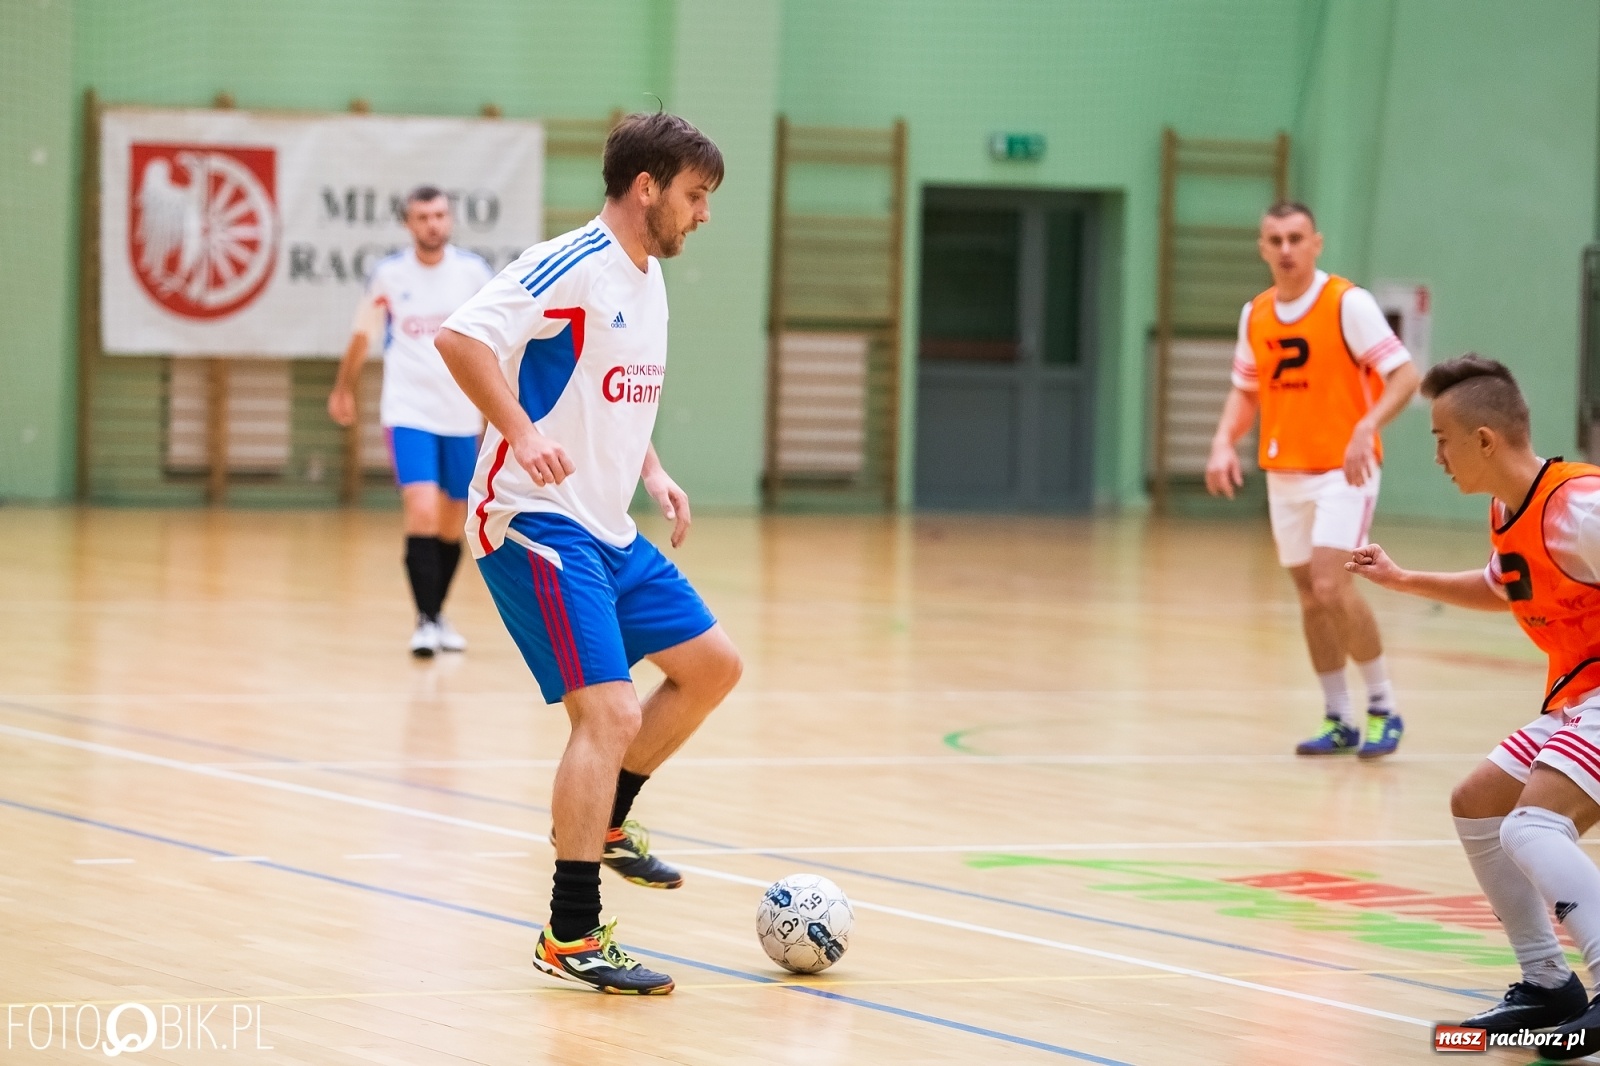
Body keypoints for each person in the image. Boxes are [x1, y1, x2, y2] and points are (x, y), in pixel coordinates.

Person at [433, 112, 742, 995]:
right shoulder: (568, 263)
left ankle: (607, 820)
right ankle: (570, 934)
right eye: (695, 196)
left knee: (712, 668)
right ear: (646, 188)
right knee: (607, 714)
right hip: (532, 519)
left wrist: (652, 469)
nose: (704, 214)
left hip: (607, 525)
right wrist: (522, 433)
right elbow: (459, 338)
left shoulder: (649, 277)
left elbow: (613, 392)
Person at [1349, 355, 1600, 1051]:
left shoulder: (1581, 507)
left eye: (1441, 439)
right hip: (1577, 696)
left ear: (1484, 440)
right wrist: (1403, 579)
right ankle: (1548, 984)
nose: (1436, 457)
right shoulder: (1509, 510)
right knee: (1479, 804)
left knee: (1533, 827)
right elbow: (1503, 586)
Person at [1206, 201, 1421, 757]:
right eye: (1275, 240)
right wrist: (1223, 440)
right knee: (1310, 598)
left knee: (1331, 585)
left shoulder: (1346, 303)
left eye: (1295, 238)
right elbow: (1246, 390)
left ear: (1315, 244)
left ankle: (1383, 707)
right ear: (1262, 248)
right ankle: (1338, 717)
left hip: (1343, 471)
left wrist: (1366, 425)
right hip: (1285, 473)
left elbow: (1405, 375)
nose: (1286, 249)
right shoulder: (1255, 314)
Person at [328, 186, 493, 657]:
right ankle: (424, 620)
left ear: (450, 220)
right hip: (409, 412)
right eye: (422, 216)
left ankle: (436, 615)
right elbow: (362, 336)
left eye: (439, 215)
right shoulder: (388, 275)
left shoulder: (473, 274)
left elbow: (495, 339)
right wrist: (342, 387)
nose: (432, 224)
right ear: (408, 224)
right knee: (422, 510)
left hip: (461, 414)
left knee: (452, 521)